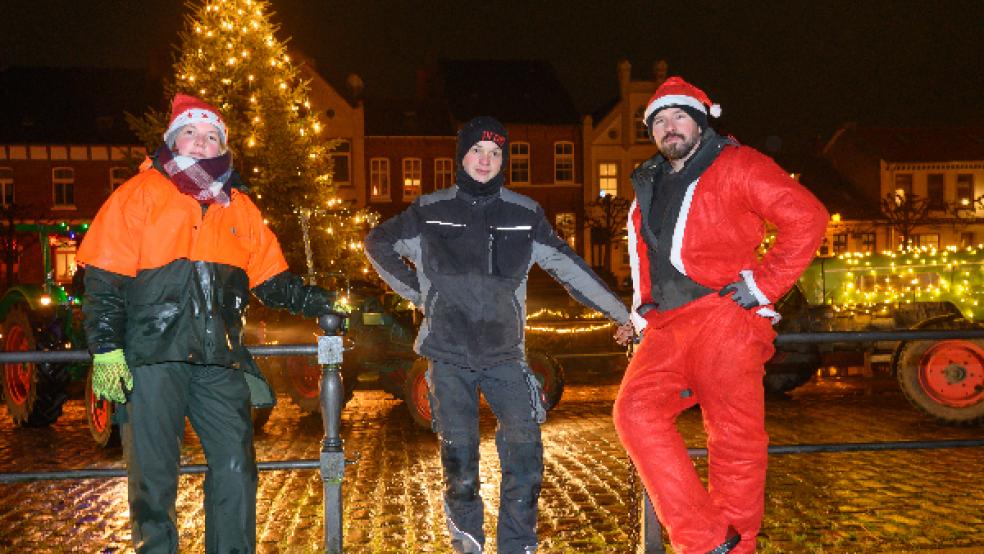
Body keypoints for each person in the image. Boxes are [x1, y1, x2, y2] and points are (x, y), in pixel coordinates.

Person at [77, 93, 340, 553]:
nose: (201, 143)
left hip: (219, 356)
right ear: (172, 139)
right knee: (153, 480)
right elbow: (103, 279)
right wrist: (105, 348)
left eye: (211, 135)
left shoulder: (239, 208)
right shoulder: (137, 195)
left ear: (223, 148)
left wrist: (322, 302)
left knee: (237, 467)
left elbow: (273, 280)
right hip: (152, 355)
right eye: (190, 133)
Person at [365, 116, 634, 554]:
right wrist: (420, 294)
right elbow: (378, 243)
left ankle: (517, 545)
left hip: (505, 355)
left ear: (503, 160)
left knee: (525, 454)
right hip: (447, 355)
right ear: (462, 157)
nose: (485, 160)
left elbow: (567, 266)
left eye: (495, 153)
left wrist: (620, 312)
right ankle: (468, 544)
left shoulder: (523, 214)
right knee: (461, 462)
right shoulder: (430, 211)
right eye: (477, 151)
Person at [613, 77, 828, 554]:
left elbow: (808, 217)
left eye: (679, 117)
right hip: (667, 325)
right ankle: (708, 540)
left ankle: (737, 547)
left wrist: (762, 285)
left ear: (701, 119)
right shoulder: (648, 182)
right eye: (659, 121)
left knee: (734, 440)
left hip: (725, 314)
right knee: (634, 412)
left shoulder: (738, 164)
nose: (670, 128)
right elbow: (650, 256)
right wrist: (642, 313)